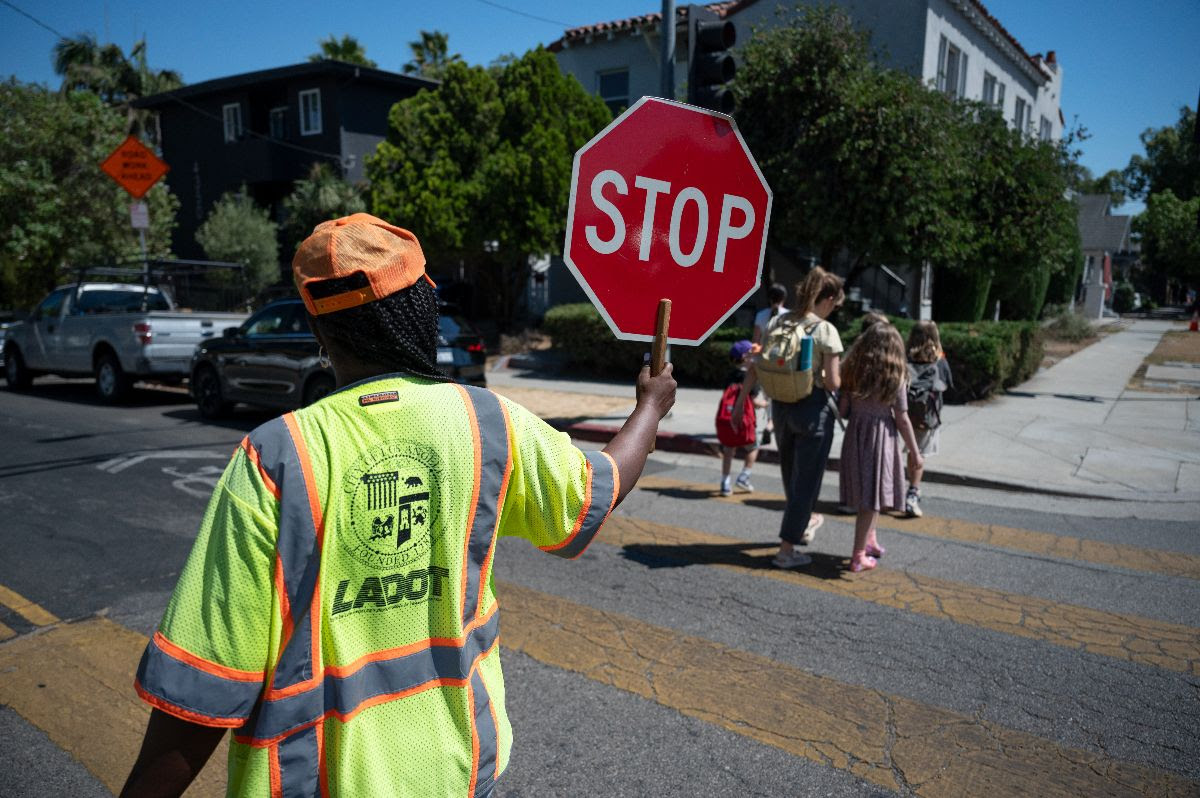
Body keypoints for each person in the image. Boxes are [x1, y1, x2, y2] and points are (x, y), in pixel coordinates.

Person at [120, 213, 677, 798]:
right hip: (455, 771)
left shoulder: (277, 456)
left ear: (320, 330)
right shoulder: (486, 422)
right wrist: (649, 409)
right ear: (419, 311)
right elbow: (599, 487)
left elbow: (201, 685)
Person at [735, 266, 845, 569]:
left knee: (791, 475)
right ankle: (786, 549)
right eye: (835, 304)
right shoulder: (825, 330)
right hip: (813, 411)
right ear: (829, 298)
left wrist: (741, 401)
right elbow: (834, 383)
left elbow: (758, 362)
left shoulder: (779, 321)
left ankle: (802, 523)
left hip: (781, 408)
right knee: (806, 482)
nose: (834, 310)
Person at [837, 322, 923, 572]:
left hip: (855, 436)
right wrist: (915, 451)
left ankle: (869, 540)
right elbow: (902, 419)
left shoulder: (852, 371)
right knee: (871, 499)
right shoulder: (895, 376)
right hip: (881, 438)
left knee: (870, 494)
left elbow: (842, 411)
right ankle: (858, 555)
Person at [903, 320, 953, 517]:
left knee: (901, 451)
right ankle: (912, 493)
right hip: (926, 415)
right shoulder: (938, 358)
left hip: (902, 412)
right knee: (918, 454)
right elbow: (947, 383)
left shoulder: (905, 356)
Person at [716, 339, 768, 495]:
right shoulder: (751, 377)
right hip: (745, 421)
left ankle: (725, 483)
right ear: (746, 356)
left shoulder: (730, 375)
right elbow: (753, 401)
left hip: (728, 419)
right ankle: (744, 476)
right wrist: (765, 404)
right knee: (753, 447)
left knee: (728, 449)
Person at [752, 283, 789, 444]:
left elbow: (755, 342)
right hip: (781, 361)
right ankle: (771, 423)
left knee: (767, 394)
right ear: (784, 299)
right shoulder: (789, 316)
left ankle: (769, 422)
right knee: (777, 395)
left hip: (763, 361)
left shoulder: (761, 315)